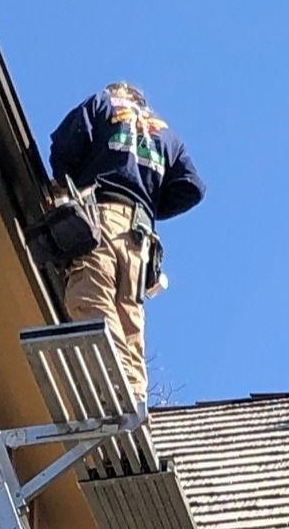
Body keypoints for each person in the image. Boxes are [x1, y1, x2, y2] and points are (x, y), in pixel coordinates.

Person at [47, 82, 206, 410]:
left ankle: (114, 388)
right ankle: (135, 394)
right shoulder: (165, 133)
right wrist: (150, 205)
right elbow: (192, 187)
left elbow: (64, 145)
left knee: (90, 298)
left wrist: (65, 187)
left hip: (101, 216)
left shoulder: (104, 103)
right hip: (140, 238)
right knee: (129, 313)